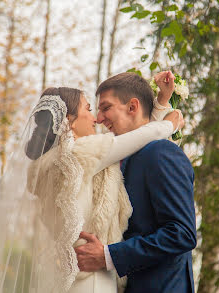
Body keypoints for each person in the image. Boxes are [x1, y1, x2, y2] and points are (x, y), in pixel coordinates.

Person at [0, 79, 183, 293]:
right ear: (69, 120)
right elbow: (138, 138)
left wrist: (161, 102)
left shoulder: (47, 166)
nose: (96, 119)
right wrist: (167, 123)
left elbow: (133, 139)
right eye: (89, 109)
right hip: (93, 279)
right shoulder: (79, 155)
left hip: (72, 277)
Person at [75, 72, 197, 293]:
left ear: (132, 107)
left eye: (105, 108)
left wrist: (108, 256)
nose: (99, 118)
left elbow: (181, 232)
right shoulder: (120, 158)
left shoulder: (162, 152)